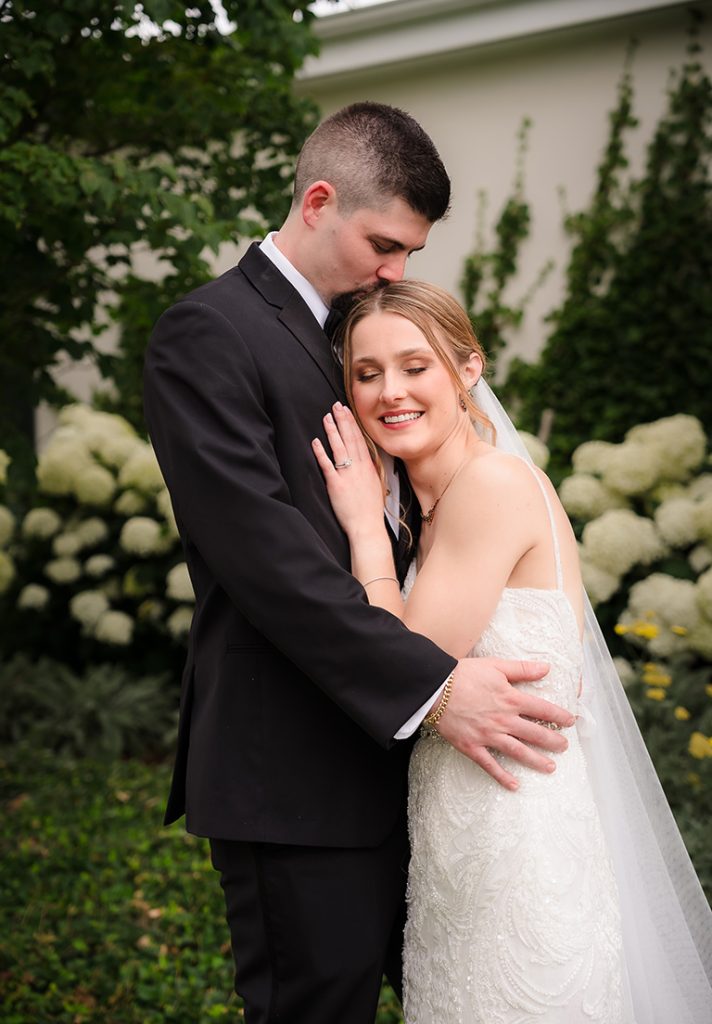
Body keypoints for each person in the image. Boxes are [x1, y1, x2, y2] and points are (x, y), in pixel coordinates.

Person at [143, 102, 576, 1024]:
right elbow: (264, 560)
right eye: (385, 244)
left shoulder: (357, 334)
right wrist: (439, 686)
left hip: (417, 781)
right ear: (319, 201)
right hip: (293, 771)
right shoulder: (211, 333)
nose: (397, 270)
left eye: (411, 255)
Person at [314, 278, 712, 1023]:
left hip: (517, 854)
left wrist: (365, 530)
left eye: (414, 366)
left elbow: (402, 661)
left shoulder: (491, 486)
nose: (389, 392)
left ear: (469, 370)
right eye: (366, 375)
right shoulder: (435, 503)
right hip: (458, 852)